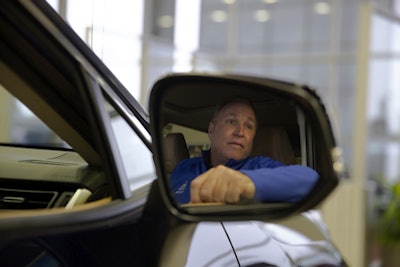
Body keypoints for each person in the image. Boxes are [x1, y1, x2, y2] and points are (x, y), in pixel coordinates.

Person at [170, 97, 319, 204]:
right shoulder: (183, 168)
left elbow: (311, 180)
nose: (240, 132)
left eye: (249, 126)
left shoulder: (262, 167)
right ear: (211, 130)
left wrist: (246, 182)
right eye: (231, 121)